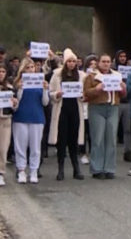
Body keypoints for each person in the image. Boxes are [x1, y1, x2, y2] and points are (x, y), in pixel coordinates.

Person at [83, 54, 126, 179]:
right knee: (98, 138)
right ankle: (97, 169)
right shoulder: (91, 76)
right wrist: (97, 89)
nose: (106, 64)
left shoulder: (117, 75)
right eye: (103, 61)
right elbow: (86, 93)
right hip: (97, 107)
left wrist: (123, 88)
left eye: (108, 61)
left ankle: (109, 168)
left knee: (111, 138)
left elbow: (123, 94)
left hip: (112, 107)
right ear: (98, 63)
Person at [48, 49, 86, 180]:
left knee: (74, 140)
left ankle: (76, 169)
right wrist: (56, 95)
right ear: (65, 62)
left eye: (74, 61)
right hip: (62, 110)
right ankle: (61, 169)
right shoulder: (57, 75)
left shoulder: (81, 76)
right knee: (62, 140)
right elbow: (51, 92)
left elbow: (85, 94)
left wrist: (82, 96)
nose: (71, 63)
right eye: (69, 61)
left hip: (75, 109)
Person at [12, 58, 49, 184]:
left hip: (37, 117)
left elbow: (45, 102)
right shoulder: (17, 83)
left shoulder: (40, 82)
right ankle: (21, 170)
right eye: (27, 68)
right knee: (20, 146)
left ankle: (34, 170)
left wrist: (45, 90)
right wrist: (20, 88)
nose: (30, 70)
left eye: (32, 67)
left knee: (35, 147)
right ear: (22, 69)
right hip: (21, 117)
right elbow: (16, 102)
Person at [113, 50, 131, 162]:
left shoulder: (130, 71)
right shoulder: (113, 70)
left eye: (124, 56)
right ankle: (111, 152)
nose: (123, 58)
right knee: (113, 128)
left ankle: (128, 151)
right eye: (120, 56)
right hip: (117, 102)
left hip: (128, 102)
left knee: (128, 129)